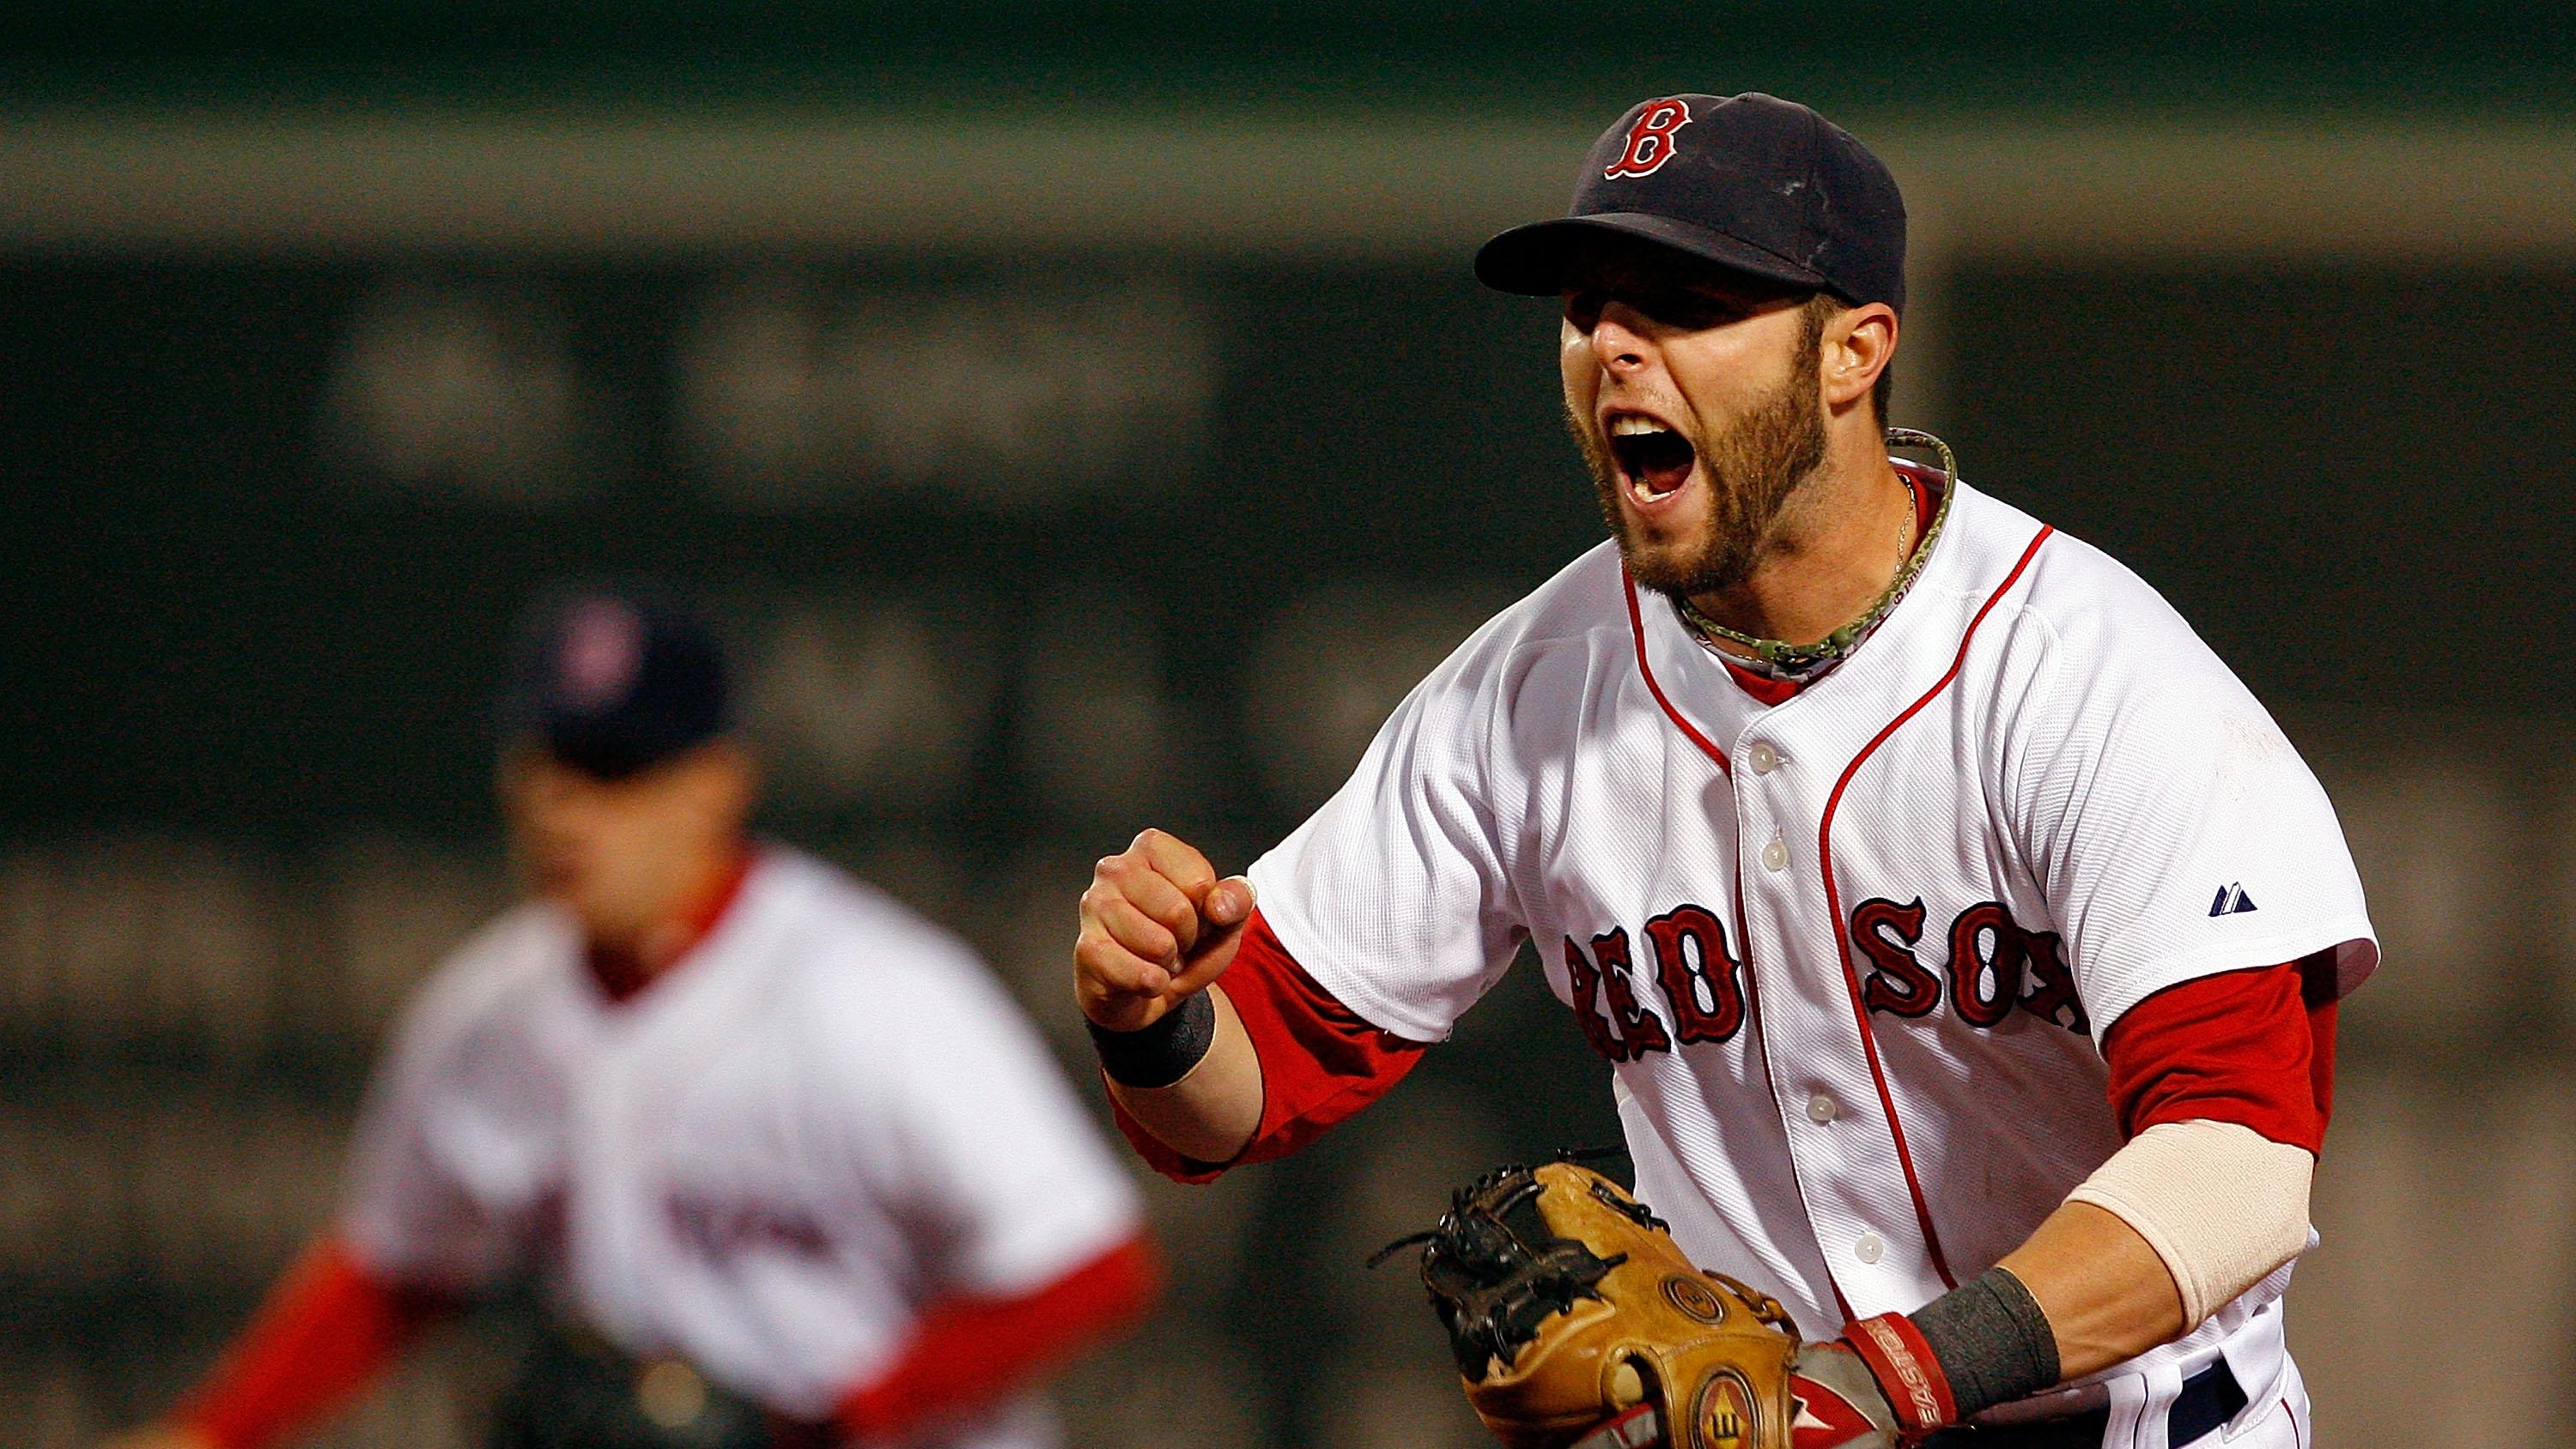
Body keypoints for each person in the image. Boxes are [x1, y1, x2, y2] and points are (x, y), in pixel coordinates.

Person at [1072, 94, 2372, 1448]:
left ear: (1852, 350)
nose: (1616, 346)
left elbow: (2238, 1172)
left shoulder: (2085, 676)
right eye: (1588, 309)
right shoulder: (1526, 692)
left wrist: (1878, 1387)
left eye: (1687, 304)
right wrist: (1152, 1019)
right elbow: (1247, 1086)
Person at [114, 585, 1156, 1449]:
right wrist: (215, 1432)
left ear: (716, 785)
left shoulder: (871, 992)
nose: (565, 807)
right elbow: (398, 1265)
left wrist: (836, 1416)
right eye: (546, 759)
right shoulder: (489, 1011)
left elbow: (1090, 1261)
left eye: (613, 768)